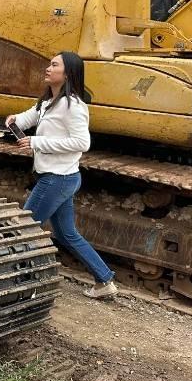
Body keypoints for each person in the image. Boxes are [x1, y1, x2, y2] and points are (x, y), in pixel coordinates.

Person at [6, 51, 119, 299]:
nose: (48, 68)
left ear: (67, 73)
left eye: (54, 65)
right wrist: (15, 120)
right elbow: (31, 116)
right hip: (61, 178)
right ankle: (105, 280)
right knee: (68, 234)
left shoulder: (73, 106)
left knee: (24, 228)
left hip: (57, 179)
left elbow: (81, 142)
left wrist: (37, 142)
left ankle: (24, 284)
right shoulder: (49, 101)